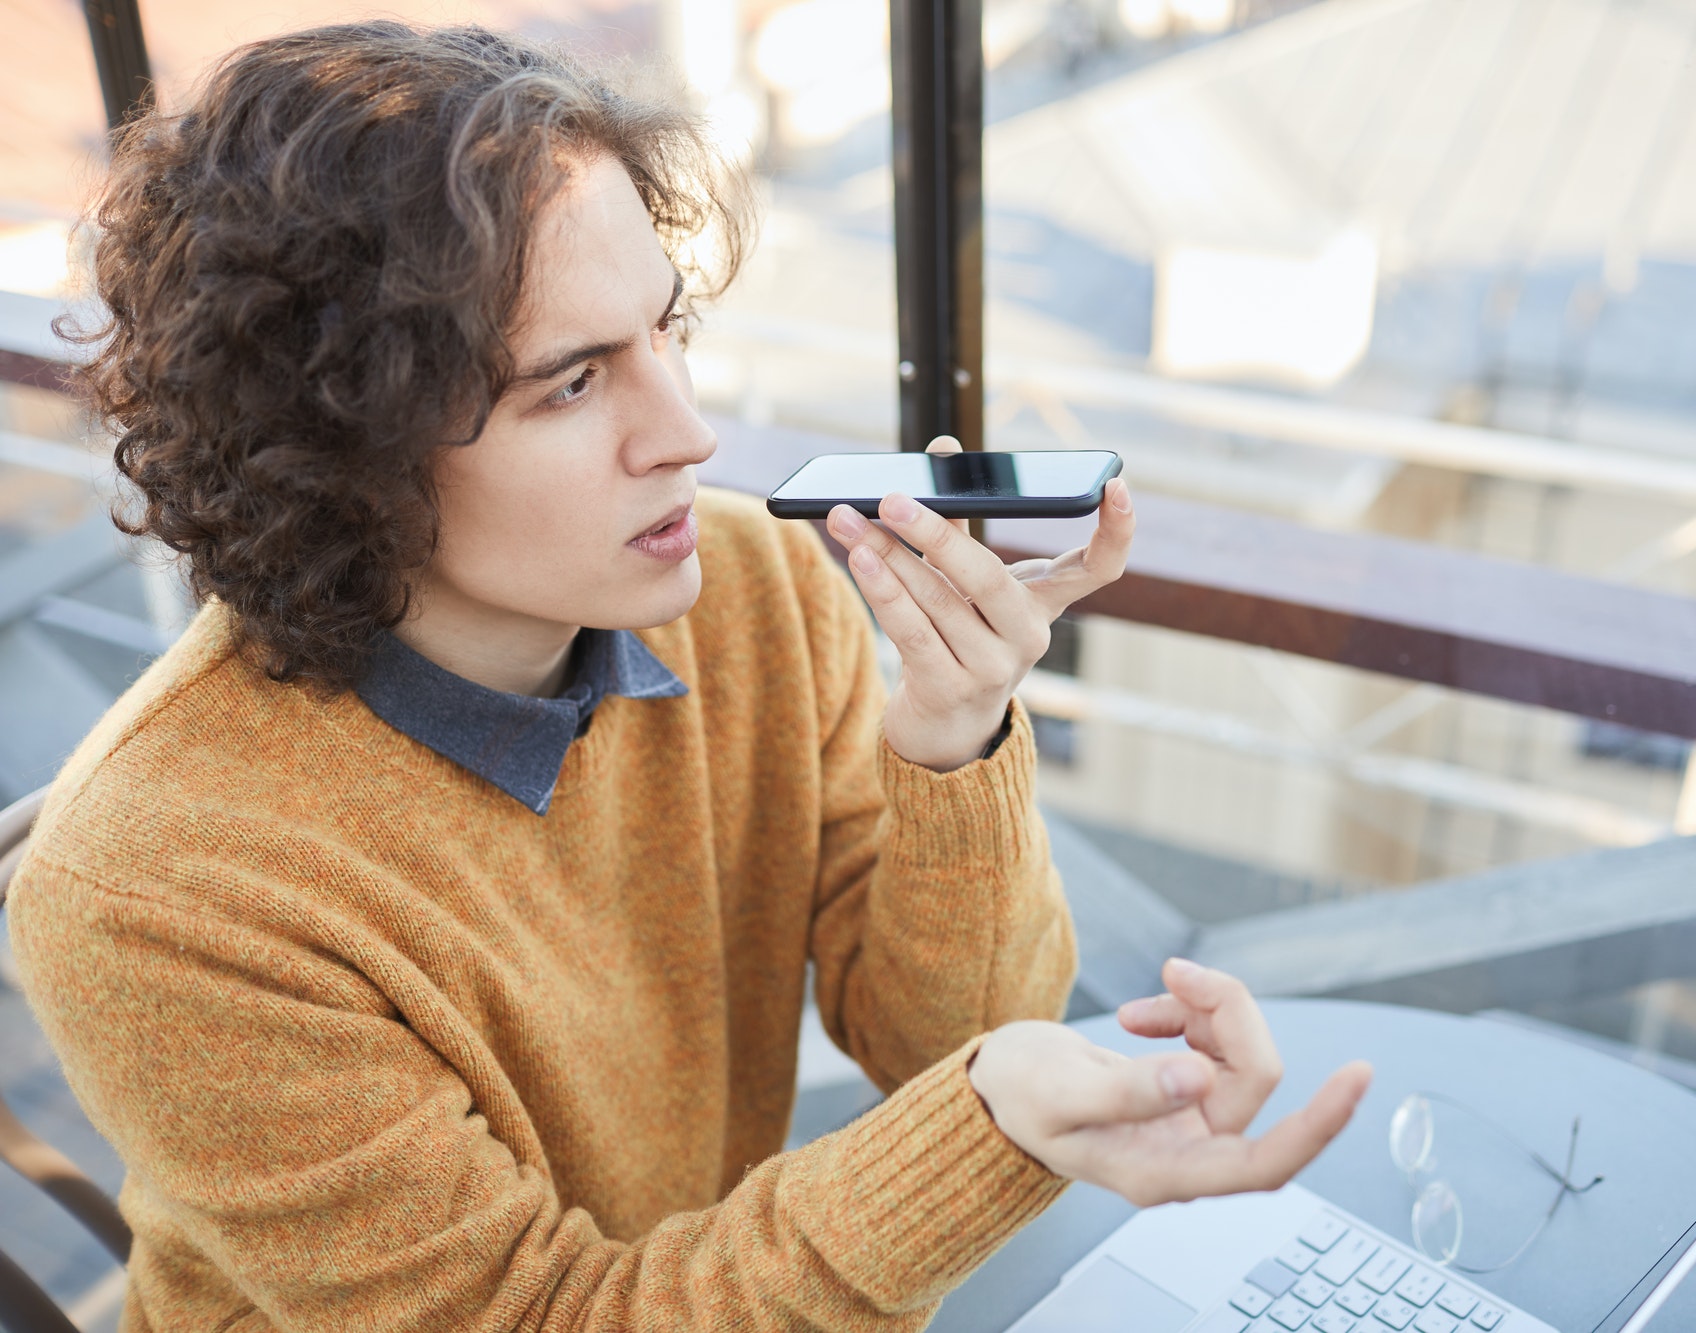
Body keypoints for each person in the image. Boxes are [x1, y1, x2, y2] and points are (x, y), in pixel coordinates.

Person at [6, 22, 1372, 1332]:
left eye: (666, 332)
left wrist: (955, 738)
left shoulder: (746, 591)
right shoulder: (158, 891)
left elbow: (944, 1045)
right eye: (574, 385)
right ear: (347, 450)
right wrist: (990, 1117)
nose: (689, 431)